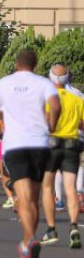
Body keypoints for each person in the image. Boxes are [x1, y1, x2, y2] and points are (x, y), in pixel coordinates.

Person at [0, 49, 61, 258]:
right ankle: (30, 241)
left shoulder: (4, 83)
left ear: (17, 63)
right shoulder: (43, 83)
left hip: (16, 145)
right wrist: (51, 125)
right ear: (35, 64)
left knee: (24, 197)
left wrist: (3, 119)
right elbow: (56, 105)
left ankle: (29, 241)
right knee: (35, 198)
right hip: (40, 144)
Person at [40, 63, 84, 248]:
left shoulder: (47, 99)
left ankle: (51, 228)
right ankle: (74, 225)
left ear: (50, 78)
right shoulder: (77, 100)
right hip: (72, 144)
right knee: (70, 187)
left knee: (48, 186)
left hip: (51, 144)